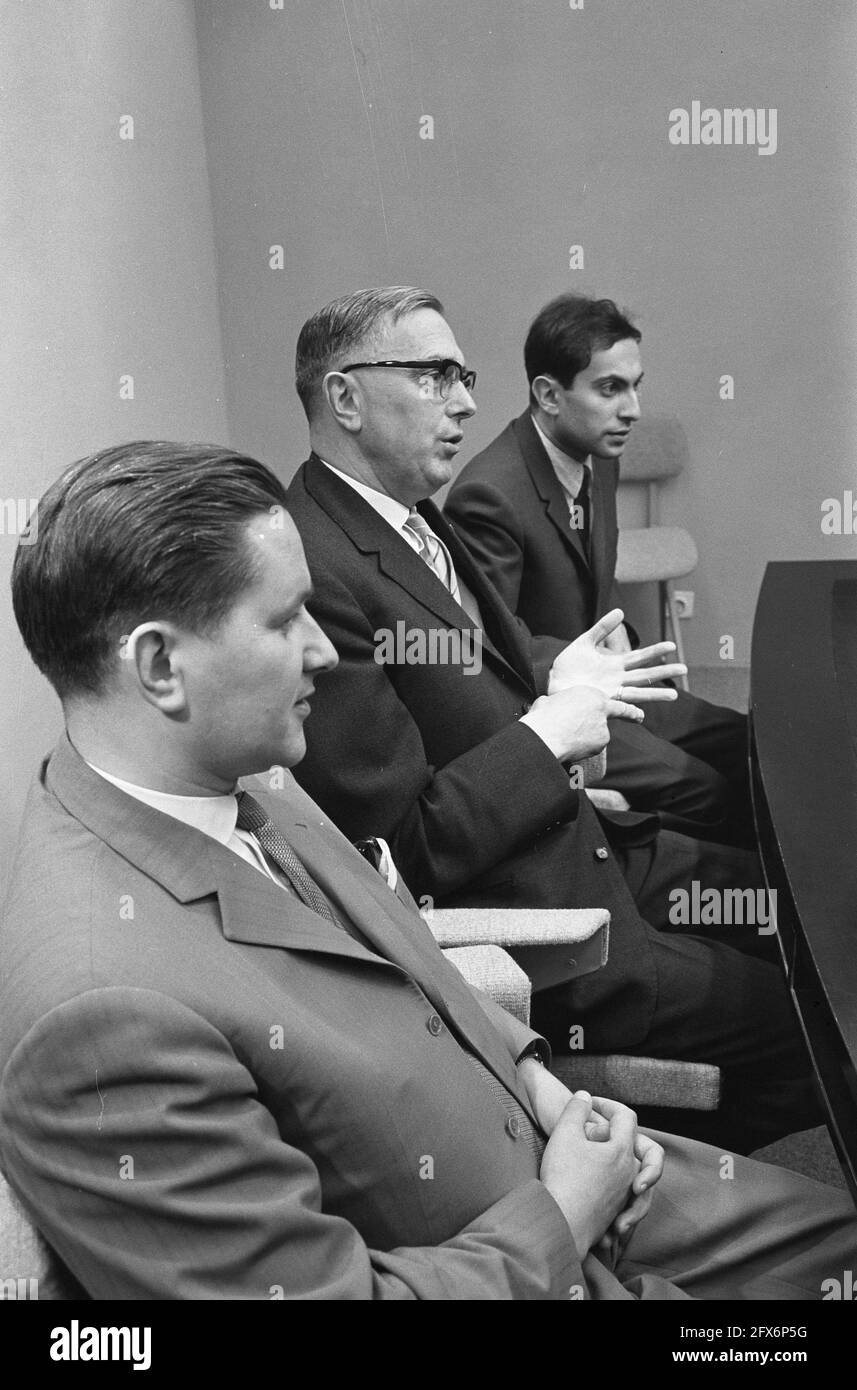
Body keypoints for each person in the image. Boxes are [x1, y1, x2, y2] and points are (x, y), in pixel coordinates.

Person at [1, 440, 853, 1300]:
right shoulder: (100, 1022)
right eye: (283, 620)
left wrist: (532, 1078)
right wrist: (564, 1214)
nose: (323, 651)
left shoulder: (235, 772)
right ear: (158, 667)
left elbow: (402, 947)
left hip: (573, 1162)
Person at [285, 286, 816, 1153]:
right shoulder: (316, 567)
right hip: (553, 929)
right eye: (430, 376)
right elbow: (404, 854)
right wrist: (548, 734)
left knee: (789, 908)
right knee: (817, 1018)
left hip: (594, 847)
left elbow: (487, 665)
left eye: (463, 375)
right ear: (343, 397)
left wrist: (557, 675)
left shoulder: (408, 514)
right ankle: (659, 1194)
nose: (462, 400)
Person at [445, 293, 752, 847]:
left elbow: (587, 587)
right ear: (548, 395)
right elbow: (487, 646)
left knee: (748, 741)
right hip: (554, 702)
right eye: (610, 388)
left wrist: (617, 647)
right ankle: (685, 883)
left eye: (636, 385)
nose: (632, 408)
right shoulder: (487, 494)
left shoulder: (598, 455)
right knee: (703, 790)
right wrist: (583, 666)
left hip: (610, 677)